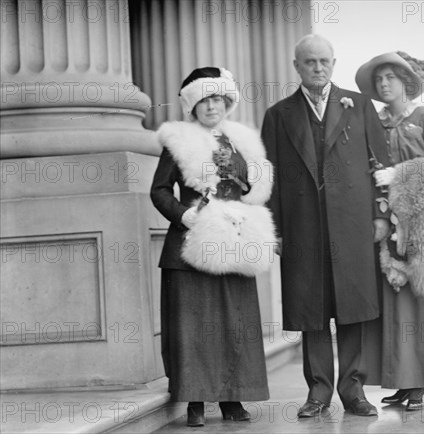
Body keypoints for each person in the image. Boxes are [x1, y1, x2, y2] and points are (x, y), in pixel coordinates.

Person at [261, 34, 390, 418]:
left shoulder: (361, 105)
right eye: (310, 62)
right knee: (310, 309)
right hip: (302, 226)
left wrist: (381, 216)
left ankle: (354, 391)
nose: (318, 68)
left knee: (353, 307)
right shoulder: (278, 114)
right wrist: (275, 229)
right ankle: (318, 392)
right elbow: (270, 177)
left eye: (324, 62)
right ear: (297, 67)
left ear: (334, 63)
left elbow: (379, 166)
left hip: (352, 225)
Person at [150, 67, 272, 427]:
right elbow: (159, 190)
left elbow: (257, 188)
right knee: (193, 324)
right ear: (192, 105)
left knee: (234, 322)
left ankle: (232, 400)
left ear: (227, 102)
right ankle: (195, 401)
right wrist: (183, 215)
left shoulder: (241, 144)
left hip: (233, 239)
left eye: (217, 99)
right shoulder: (178, 143)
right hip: (192, 243)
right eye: (203, 100)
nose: (211, 106)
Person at [355, 51, 424, 410]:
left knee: (419, 298)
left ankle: (421, 383)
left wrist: (400, 176)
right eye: (380, 79)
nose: (384, 84)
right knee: (393, 302)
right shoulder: (375, 122)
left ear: (406, 82)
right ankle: (402, 380)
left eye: (391, 78)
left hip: (421, 221)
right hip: (387, 220)